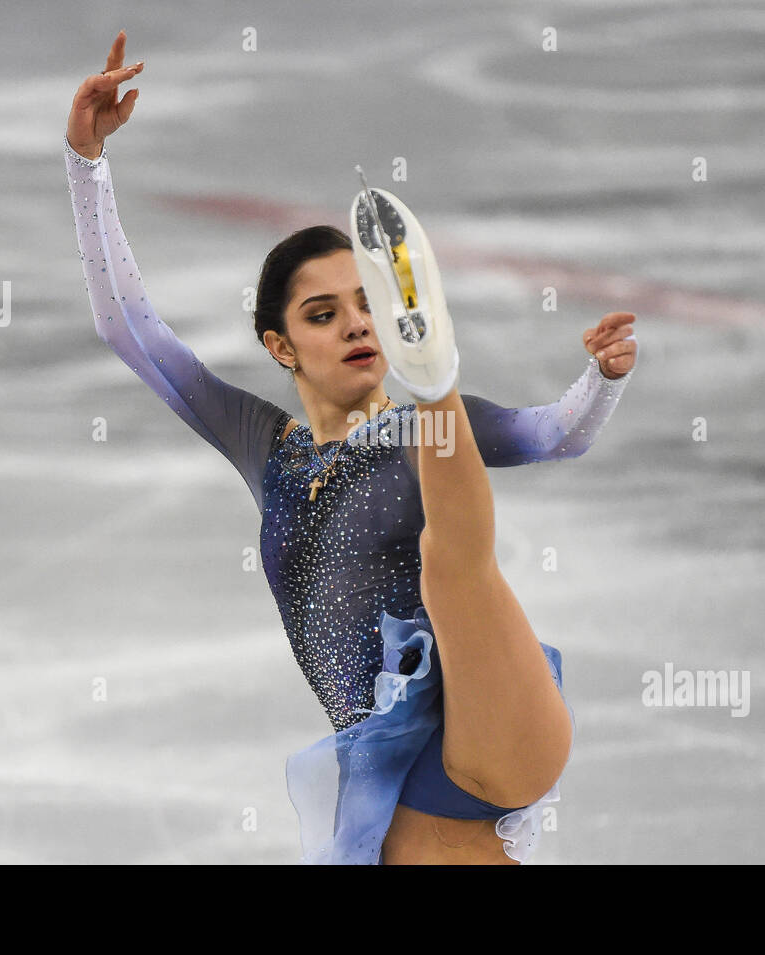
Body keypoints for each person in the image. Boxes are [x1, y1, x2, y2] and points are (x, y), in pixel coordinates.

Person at [64, 30, 638, 864]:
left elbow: (560, 433)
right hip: (405, 789)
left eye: (366, 303)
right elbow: (131, 331)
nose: (354, 323)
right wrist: (86, 162)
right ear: (280, 346)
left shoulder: (420, 434)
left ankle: (433, 370)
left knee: (450, 556)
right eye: (322, 314)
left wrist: (604, 378)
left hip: (489, 718)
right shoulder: (265, 447)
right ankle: (432, 373)